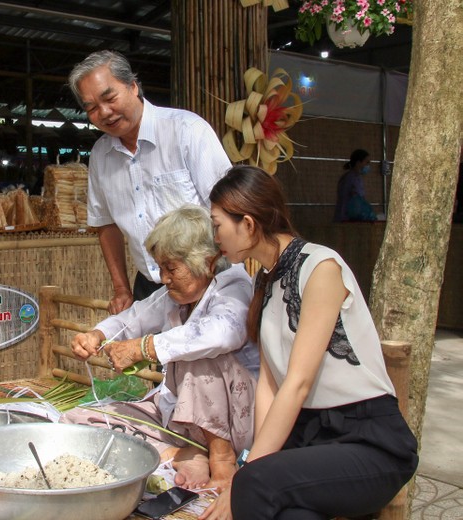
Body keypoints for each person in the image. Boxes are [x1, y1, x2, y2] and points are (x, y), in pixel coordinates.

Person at [204, 166, 418, 520]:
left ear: (247, 223)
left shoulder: (321, 266)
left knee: (253, 486)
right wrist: (258, 458)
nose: (216, 237)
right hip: (311, 442)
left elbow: (298, 383)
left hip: (367, 442)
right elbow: (269, 385)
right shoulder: (265, 283)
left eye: (217, 225)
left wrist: (247, 474)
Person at [61, 204, 258, 492]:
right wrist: (97, 333)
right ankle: (178, 454)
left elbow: (222, 334)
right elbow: (134, 318)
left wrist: (144, 348)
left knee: (195, 354)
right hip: (179, 421)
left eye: (171, 268)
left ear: (207, 261)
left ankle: (221, 456)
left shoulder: (233, 285)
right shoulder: (174, 295)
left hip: (232, 421)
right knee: (78, 421)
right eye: (161, 268)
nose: (164, 278)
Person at [68, 50, 231, 314]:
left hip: (209, 281)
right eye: (92, 108)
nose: (105, 112)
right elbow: (105, 224)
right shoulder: (100, 155)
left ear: (133, 87)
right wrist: (121, 289)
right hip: (150, 288)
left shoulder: (186, 131)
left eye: (109, 98)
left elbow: (228, 209)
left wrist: (213, 270)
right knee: (148, 355)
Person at [333, 148, 377, 222]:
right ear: (358, 162)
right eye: (367, 162)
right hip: (347, 220)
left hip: (344, 218)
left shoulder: (353, 177)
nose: (368, 166)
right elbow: (356, 201)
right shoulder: (352, 179)